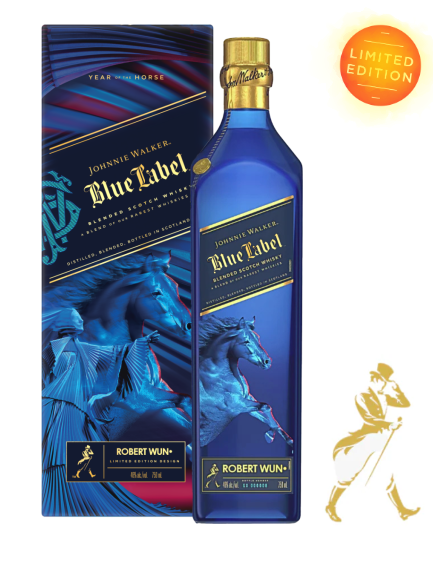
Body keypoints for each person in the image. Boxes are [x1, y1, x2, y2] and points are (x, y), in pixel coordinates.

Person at [42, 307, 179, 516]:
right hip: (56, 405)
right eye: (76, 320)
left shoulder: (85, 349)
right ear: (68, 325)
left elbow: (117, 352)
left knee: (73, 450)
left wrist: (141, 343)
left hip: (74, 406)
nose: (80, 323)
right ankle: (57, 496)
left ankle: (72, 497)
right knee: (58, 448)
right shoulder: (54, 349)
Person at [326, 363, 420, 522]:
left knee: (387, 474)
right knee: (348, 475)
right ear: (376, 380)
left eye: (386, 382)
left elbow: (405, 403)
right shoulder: (362, 396)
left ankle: (401, 510)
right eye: (383, 381)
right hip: (365, 440)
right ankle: (331, 506)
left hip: (379, 440)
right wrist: (389, 424)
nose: (384, 385)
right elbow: (368, 419)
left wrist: (397, 389)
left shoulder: (385, 397)